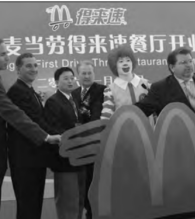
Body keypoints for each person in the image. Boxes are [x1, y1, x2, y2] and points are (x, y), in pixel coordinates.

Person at [0, 38, 61, 219]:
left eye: (7, 53)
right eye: (2, 54)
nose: (7, 58)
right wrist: (45, 136)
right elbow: (14, 115)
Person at [135, 46, 195, 191]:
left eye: (190, 61)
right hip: (182, 150)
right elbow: (142, 109)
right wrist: (121, 116)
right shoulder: (160, 88)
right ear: (172, 67)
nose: (189, 65)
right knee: (189, 193)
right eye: (183, 63)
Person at [7, 53, 57, 219]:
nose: (34, 69)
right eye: (29, 66)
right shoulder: (17, 91)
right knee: (28, 205)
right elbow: (34, 121)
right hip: (25, 158)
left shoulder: (29, 90)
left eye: (36, 65)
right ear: (18, 69)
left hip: (35, 157)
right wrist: (59, 135)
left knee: (34, 204)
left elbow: (40, 118)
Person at [44, 67, 86, 219]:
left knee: (79, 199)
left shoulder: (73, 100)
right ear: (56, 82)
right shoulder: (53, 102)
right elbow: (54, 128)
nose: (70, 81)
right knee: (67, 201)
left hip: (79, 158)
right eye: (66, 78)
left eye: (71, 78)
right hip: (64, 160)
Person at [72, 60, 106, 219]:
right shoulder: (73, 93)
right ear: (77, 76)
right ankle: (87, 211)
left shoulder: (103, 90)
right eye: (83, 73)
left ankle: (95, 212)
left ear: (94, 74)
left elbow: (97, 116)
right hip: (79, 147)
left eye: (89, 73)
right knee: (83, 182)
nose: (86, 76)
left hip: (97, 144)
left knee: (96, 181)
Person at [100, 44, 155, 125]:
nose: (125, 64)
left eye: (128, 60)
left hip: (147, 133)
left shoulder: (146, 84)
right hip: (124, 134)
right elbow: (106, 116)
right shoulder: (110, 90)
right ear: (115, 65)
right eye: (121, 61)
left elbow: (156, 111)